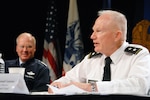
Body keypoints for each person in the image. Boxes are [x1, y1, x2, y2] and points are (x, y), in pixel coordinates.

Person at [48, 10, 150, 95]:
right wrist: (56, 85)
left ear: (117, 35)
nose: (92, 36)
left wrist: (93, 87)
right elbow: (68, 79)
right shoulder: (92, 59)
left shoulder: (139, 55)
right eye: (93, 31)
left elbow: (140, 86)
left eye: (98, 31)